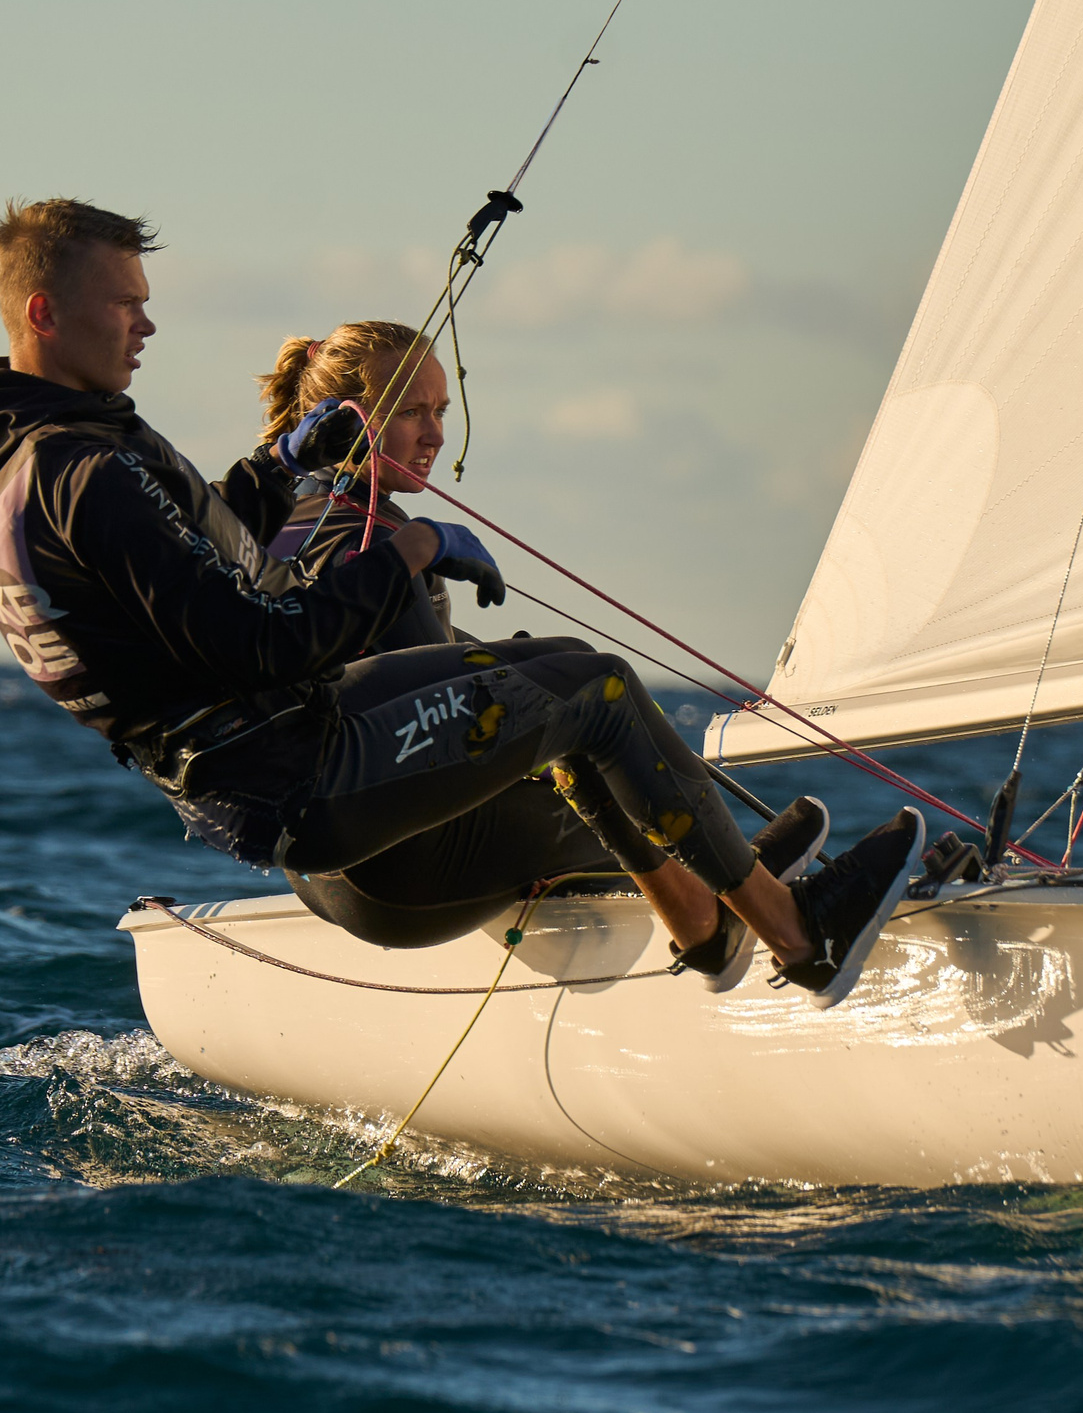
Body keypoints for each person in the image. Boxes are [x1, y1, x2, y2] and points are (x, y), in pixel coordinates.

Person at [0, 198, 923, 1007]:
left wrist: (278, 465)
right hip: (298, 771)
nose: (147, 324)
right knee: (596, 697)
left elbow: (197, 555)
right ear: (43, 314)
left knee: (567, 671)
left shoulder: (12, 462)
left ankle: (710, 913)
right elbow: (260, 642)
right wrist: (410, 547)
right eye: (124, 303)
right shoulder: (82, 471)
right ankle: (797, 934)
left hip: (266, 770)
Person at [252, 319, 831, 949]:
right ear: (346, 420)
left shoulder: (285, 524)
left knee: (565, 668)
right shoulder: (373, 542)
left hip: (323, 873)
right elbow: (435, 731)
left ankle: (717, 892)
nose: (436, 434)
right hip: (409, 870)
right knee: (597, 706)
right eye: (411, 412)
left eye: (440, 411)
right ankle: (744, 913)